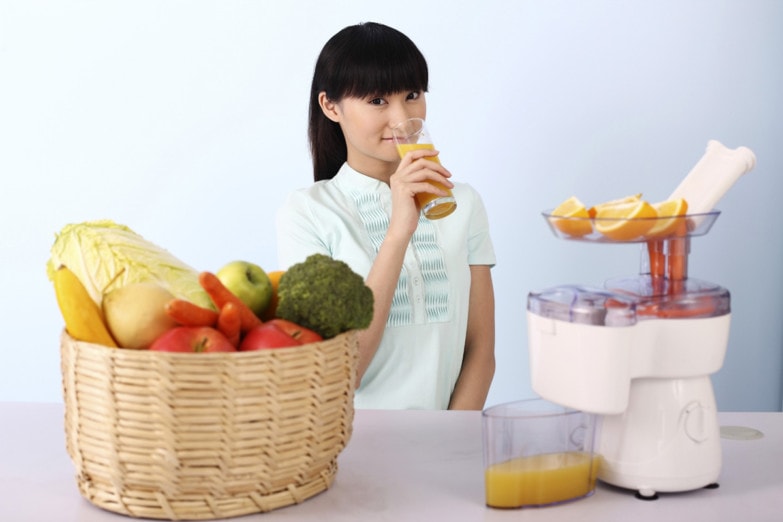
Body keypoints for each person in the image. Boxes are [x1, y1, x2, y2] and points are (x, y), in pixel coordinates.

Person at [276, 22, 496, 410]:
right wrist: (398, 232)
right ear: (331, 106)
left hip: (444, 447)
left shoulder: (463, 203)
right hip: (350, 450)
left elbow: (480, 351)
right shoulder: (308, 212)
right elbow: (344, 370)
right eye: (377, 101)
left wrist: (448, 446)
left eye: (412, 95)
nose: (401, 118)